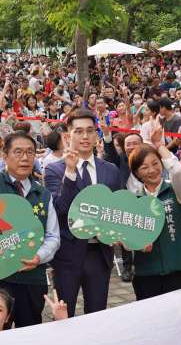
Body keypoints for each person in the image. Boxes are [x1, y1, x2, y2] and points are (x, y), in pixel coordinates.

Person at [0, 92, 60, 327]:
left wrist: (39, 257)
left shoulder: (42, 193)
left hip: (32, 278)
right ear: (5, 156)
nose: (25, 158)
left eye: (30, 152)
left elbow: (53, 236)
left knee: (29, 337)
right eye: (18, 152)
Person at [44, 108, 125, 316]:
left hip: (100, 254)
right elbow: (60, 209)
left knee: (97, 315)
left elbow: (118, 208)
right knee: (64, 315)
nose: (85, 136)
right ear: (67, 136)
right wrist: (70, 172)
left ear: (97, 134)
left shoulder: (110, 170)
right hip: (67, 254)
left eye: (90, 130)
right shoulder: (55, 170)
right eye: (78, 131)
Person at [125, 137, 181, 298]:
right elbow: (128, 241)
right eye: (144, 167)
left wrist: (159, 145)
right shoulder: (134, 201)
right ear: (137, 173)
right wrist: (136, 243)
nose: (152, 170)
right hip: (146, 273)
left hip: (178, 268)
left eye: (155, 163)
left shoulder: (175, 190)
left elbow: (177, 170)